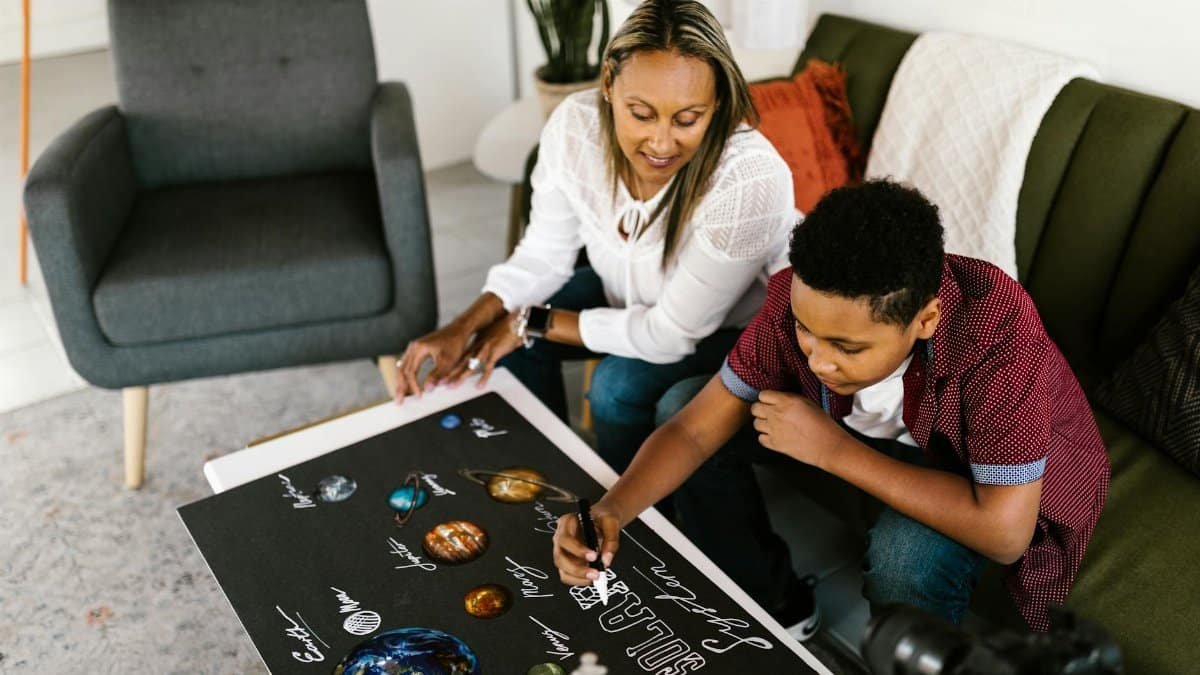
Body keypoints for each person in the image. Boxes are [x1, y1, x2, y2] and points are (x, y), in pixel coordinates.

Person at [551, 180, 1110, 637]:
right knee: (679, 401)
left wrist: (831, 450)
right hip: (849, 433)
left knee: (903, 559)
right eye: (805, 332)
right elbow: (695, 429)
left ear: (926, 320)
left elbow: (1006, 529)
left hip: (972, 471)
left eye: (848, 347)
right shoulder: (801, 293)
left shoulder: (999, 334)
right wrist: (612, 509)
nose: (817, 360)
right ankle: (771, 602)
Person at [393, 0, 796, 475]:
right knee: (505, 346)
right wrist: (462, 327)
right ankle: (545, 483)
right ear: (608, 83)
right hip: (627, 294)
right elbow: (545, 252)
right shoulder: (574, 126)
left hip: (726, 328)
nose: (662, 143)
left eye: (688, 119)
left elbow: (669, 335)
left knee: (614, 386)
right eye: (641, 114)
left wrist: (532, 321)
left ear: (718, 103)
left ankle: (629, 518)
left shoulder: (747, 176)